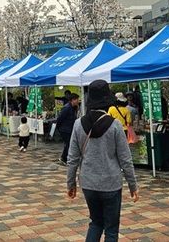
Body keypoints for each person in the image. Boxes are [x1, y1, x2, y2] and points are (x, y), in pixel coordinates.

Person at [67, 80, 138, 242]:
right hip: (111, 184)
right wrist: (133, 186)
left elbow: (72, 159)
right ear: (108, 101)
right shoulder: (115, 126)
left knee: (96, 223)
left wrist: (70, 184)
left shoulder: (78, 125)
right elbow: (125, 160)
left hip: (88, 183)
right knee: (111, 229)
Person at [57, 93, 80, 165]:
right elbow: (60, 118)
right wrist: (59, 127)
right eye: (77, 99)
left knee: (68, 144)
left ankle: (64, 158)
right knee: (69, 144)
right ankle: (64, 158)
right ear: (72, 100)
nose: (78, 101)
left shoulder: (73, 108)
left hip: (70, 129)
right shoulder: (66, 108)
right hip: (64, 129)